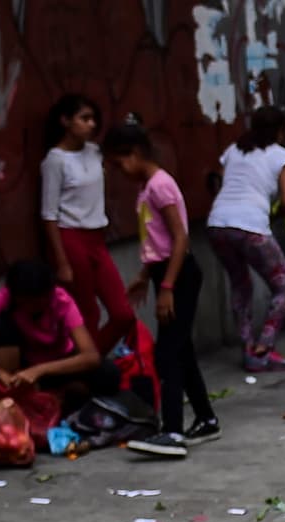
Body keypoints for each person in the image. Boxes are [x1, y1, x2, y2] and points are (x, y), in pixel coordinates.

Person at [100, 118, 219, 460]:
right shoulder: (147, 188)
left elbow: (180, 238)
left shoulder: (159, 186)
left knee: (167, 355)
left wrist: (166, 286)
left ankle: (173, 431)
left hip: (178, 274)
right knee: (181, 350)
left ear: (135, 153)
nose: (119, 171)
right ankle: (206, 418)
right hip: (165, 272)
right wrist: (144, 275)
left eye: (119, 163)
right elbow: (158, 241)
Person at [0, 259, 118, 405]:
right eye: (26, 301)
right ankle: (22, 399)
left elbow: (90, 356)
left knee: (108, 374)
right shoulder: (5, 298)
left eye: (38, 301)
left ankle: (56, 396)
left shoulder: (61, 300)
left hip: (55, 367)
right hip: (19, 371)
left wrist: (40, 370)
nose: (32, 307)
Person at [41, 94, 136, 358]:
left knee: (122, 313)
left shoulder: (95, 152)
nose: (91, 124)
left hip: (97, 239)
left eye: (93, 119)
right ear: (65, 121)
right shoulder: (55, 160)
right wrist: (62, 262)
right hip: (71, 239)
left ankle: (90, 363)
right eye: (84, 118)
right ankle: (88, 373)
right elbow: (48, 215)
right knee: (87, 313)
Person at [207, 106, 285, 372]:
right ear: (281, 131)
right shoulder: (282, 156)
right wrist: (279, 214)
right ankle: (264, 346)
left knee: (240, 284)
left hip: (217, 223)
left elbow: (220, 183)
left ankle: (247, 347)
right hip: (251, 225)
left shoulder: (235, 149)